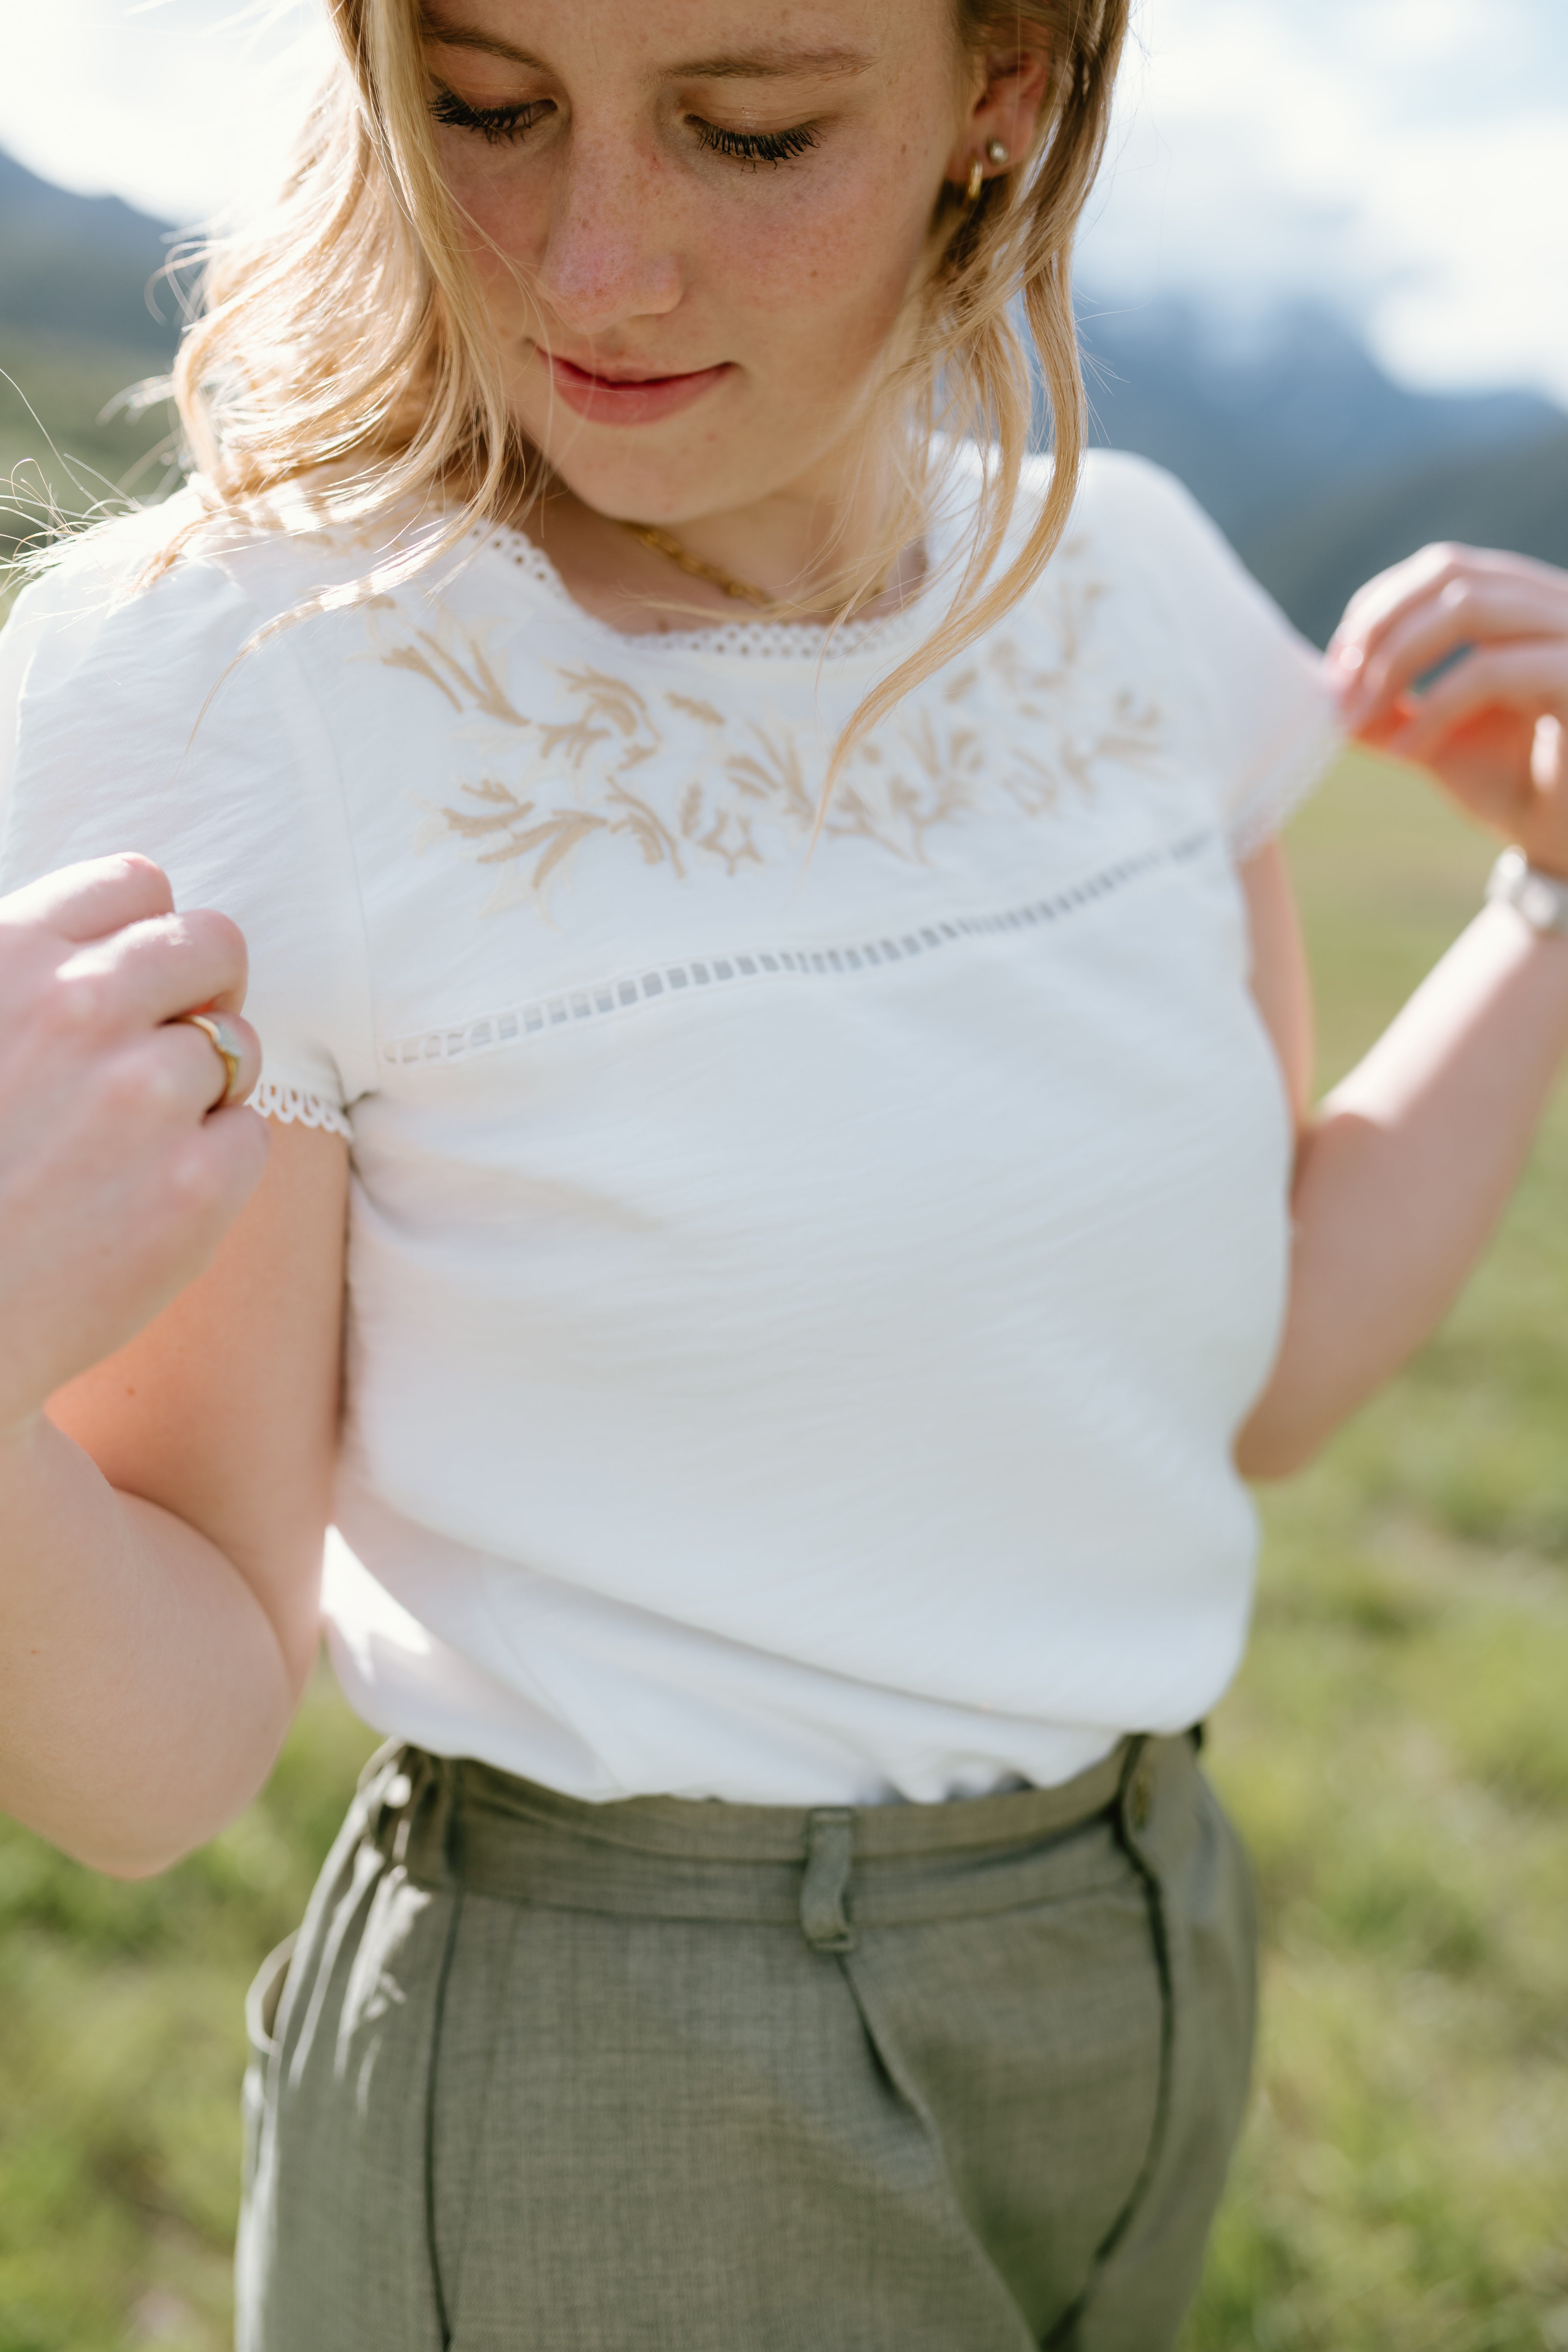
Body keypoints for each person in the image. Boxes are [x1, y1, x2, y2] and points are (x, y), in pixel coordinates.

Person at [3, 1, 1568, 2344]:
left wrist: (1551, 898)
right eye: (490, 104)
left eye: (751, 129)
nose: (594, 264)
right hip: (612, 2073)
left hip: (1143, 1944)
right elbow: (166, 1753)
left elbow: (1260, 1363)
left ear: (1007, 92)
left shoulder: (1128, 594)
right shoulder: (249, 685)